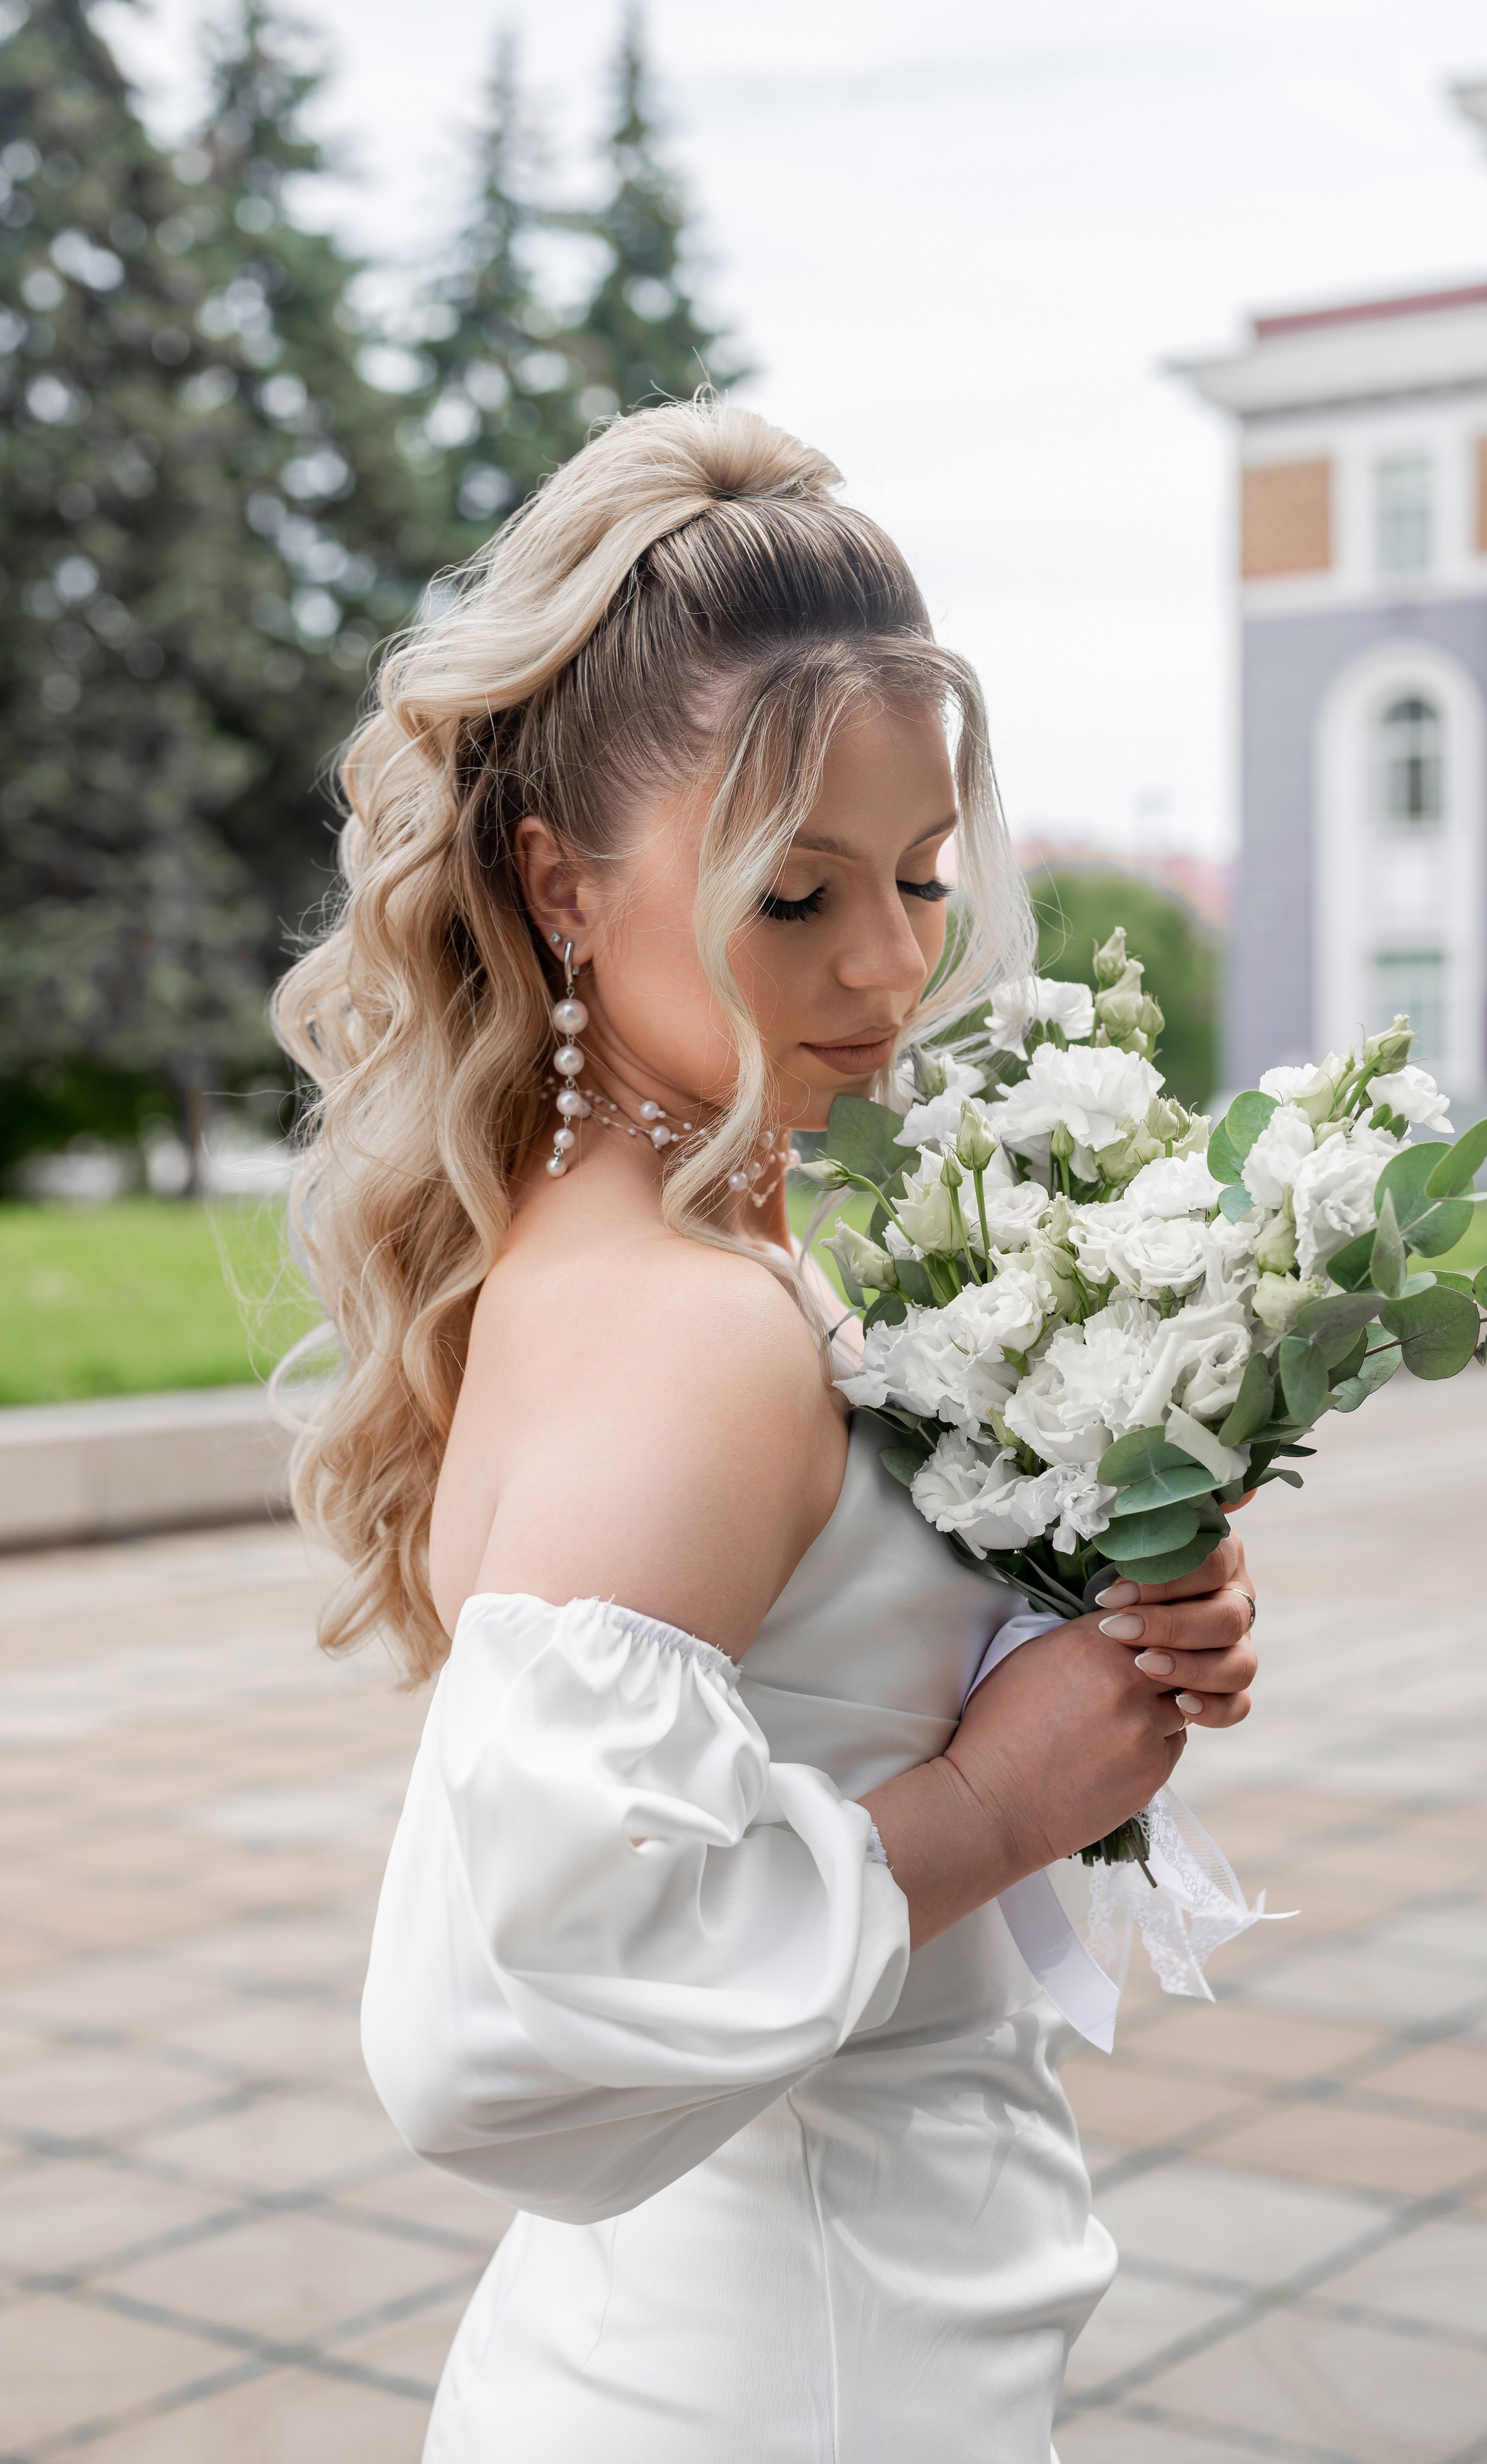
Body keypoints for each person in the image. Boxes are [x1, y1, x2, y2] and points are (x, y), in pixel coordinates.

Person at [273, 400, 1259, 2463]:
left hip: (739, 2315)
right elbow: (499, 2019)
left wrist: (1088, 1596)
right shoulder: (701, 1333)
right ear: (558, 882)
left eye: (913, 878)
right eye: (795, 895)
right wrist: (994, 1805)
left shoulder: (603, 1248)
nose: (892, 966)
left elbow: (790, 1690)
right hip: (790, 2363)